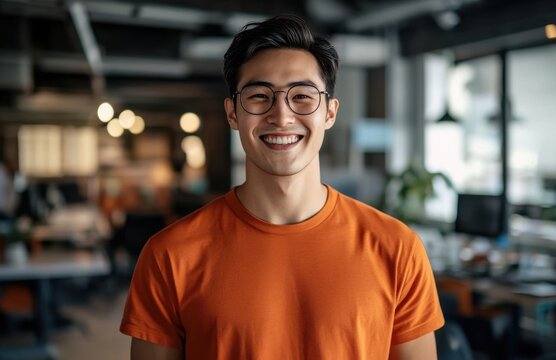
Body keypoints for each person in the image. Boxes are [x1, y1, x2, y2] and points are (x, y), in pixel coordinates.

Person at [120, 14, 444, 360]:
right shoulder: (169, 255)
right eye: (259, 96)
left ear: (330, 113)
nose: (281, 115)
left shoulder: (397, 248)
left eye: (302, 96)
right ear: (233, 114)